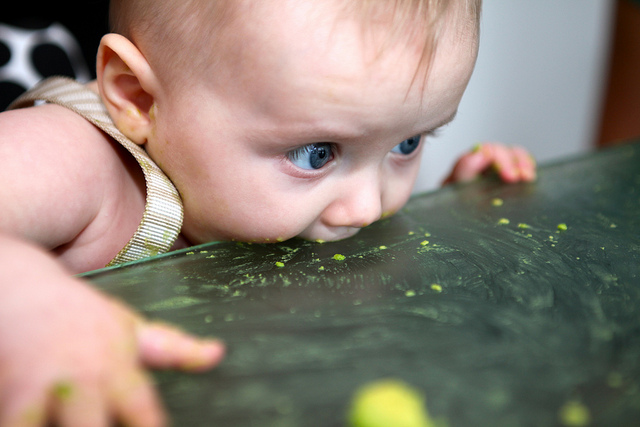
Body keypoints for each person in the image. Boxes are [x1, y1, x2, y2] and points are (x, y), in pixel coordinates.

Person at [0, 0, 535, 425]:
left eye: (407, 143)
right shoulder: (81, 160)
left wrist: (457, 209)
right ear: (139, 99)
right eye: (316, 154)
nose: (368, 207)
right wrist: (28, 299)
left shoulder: (322, 191)